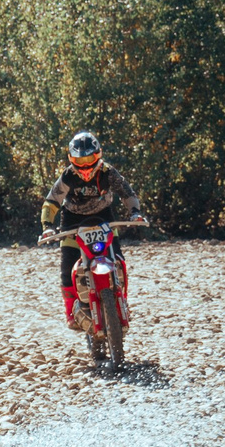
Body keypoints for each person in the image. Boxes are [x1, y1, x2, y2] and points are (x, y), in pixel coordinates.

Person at [37, 130, 144, 327]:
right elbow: (51, 202)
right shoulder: (67, 176)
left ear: (99, 155)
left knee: (119, 261)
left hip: (104, 217)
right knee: (67, 268)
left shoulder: (108, 173)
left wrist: (135, 212)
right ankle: (70, 312)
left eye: (90, 158)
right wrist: (47, 227)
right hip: (72, 220)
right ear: (71, 159)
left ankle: (123, 301)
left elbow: (127, 193)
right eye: (80, 160)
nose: (85, 165)